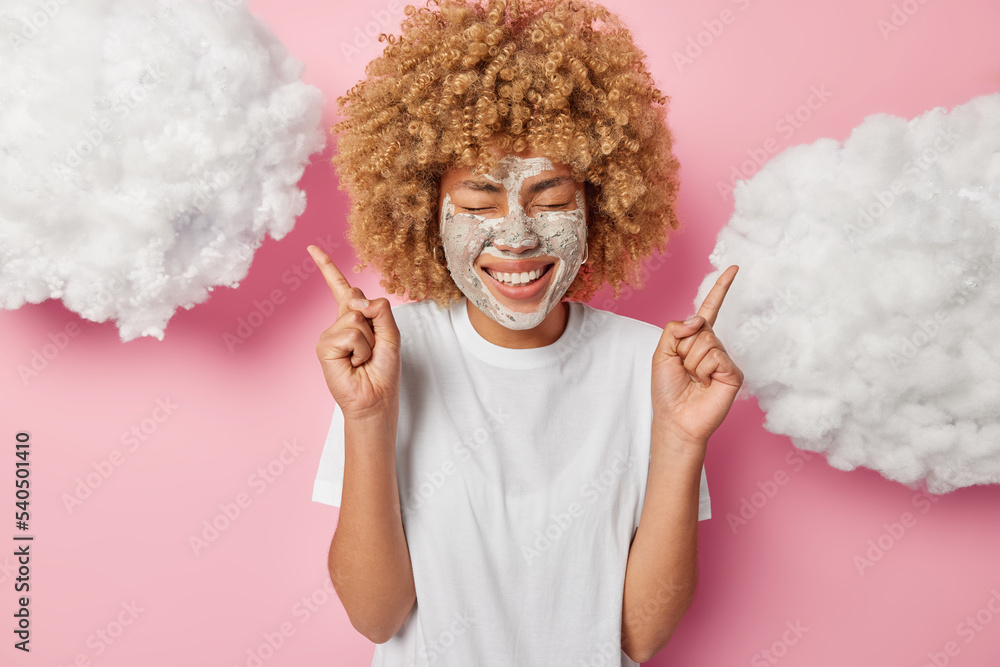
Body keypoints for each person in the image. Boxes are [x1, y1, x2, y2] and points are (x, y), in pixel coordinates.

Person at [308, 0, 743, 664]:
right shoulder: (389, 358)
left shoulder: (653, 367)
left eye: (552, 200)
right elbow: (376, 615)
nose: (516, 234)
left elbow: (639, 636)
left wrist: (683, 438)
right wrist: (367, 414)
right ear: (426, 212)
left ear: (603, 205)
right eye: (480, 203)